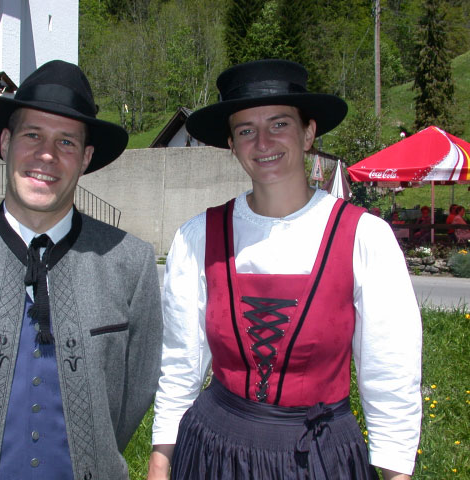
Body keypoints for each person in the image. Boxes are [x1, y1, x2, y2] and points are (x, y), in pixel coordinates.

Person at [147, 60, 421, 480]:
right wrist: (160, 461)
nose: (263, 142)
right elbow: (181, 363)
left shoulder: (364, 237)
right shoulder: (198, 236)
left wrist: (396, 473)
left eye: (279, 124)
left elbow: (390, 375)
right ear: (232, 144)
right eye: (246, 131)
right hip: (214, 454)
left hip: (319, 458)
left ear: (308, 133)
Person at [0, 60, 163, 480]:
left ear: (86, 158)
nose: (47, 155)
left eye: (66, 142)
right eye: (32, 135)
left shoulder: (130, 262)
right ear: (5, 142)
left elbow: (137, 389)